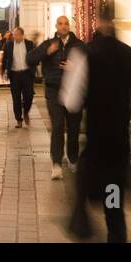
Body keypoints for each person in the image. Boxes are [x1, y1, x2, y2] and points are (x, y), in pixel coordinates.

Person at [61, 4, 131, 243]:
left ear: (97, 20)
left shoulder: (85, 54)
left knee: (84, 181)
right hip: (118, 144)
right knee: (113, 196)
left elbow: (71, 101)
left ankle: (81, 219)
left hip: (96, 142)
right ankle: (115, 235)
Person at [27, 14, 84, 179]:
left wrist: (76, 67)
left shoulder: (79, 45)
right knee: (58, 126)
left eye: (66, 23)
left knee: (74, 127)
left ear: (69, 26)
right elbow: (29, 59)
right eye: (60, 23)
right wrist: (46, 52)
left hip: (74, 91)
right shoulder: (48, 43)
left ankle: (73, 158)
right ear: (56, 26)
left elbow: (89, 65)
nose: (64, 26)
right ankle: (57, 163)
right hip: (54, 91)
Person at [2, 26, 36, 127]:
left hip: (27, 74)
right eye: (14, 34)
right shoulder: (8, 44)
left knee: (29, 96)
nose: (14, 36)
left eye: (16, 34)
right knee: (16, 98)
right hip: (14, 75)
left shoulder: (29, 44)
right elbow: (5, 58)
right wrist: (4, 70)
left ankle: (26, 112)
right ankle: (19, 120)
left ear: (22, 35)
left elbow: (34, 57)